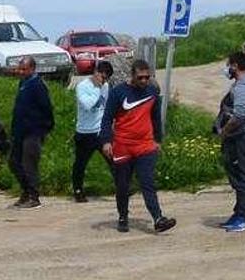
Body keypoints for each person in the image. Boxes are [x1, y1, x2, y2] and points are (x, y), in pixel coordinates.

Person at [100, 60, 177, 234]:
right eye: (140, 77)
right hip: (123, 145)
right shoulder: (118, 92)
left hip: (145, 145)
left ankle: (158, 218)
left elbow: (156, 117)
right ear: (132, 75)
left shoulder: (152, 91)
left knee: (147, 182)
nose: (144, 81)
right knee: (122, 185)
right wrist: (106, 141)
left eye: (147, 77)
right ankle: (123, 217)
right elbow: (107, 118)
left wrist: (158, 139)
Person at [215, 52, 245, 232]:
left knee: (241, 177)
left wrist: (224, 131)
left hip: (240, 137)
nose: (227, 69)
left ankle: (244, 217)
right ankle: (238, 212)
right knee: (237, 175)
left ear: (235, 65)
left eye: (228, 65)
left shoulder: (242, 88)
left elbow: (240, 114)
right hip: (241, 137)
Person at [8, 56, 53, 209]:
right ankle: (26, 191)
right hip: (19, 132)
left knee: (29, 165)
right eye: (20, 69)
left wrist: (43, 129)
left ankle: (34, 196)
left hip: (33, 132)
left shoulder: (37, 85)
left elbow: (46, 109)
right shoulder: (23, 83)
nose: (20, 72)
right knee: (14, 162)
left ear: (32, 69)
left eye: (24, 69)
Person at [72, 60, 114, 203]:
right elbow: (88, 105)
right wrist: (98, 88)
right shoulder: (82, 86)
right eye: (103, 77)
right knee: (80, 163)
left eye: (107, 78)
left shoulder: (106, 86)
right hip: (85, 132)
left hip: (101, 131)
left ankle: (122, 187)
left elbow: (106, 106)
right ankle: (78, 190)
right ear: (96, 73)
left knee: (113, 159)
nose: (104, 81)